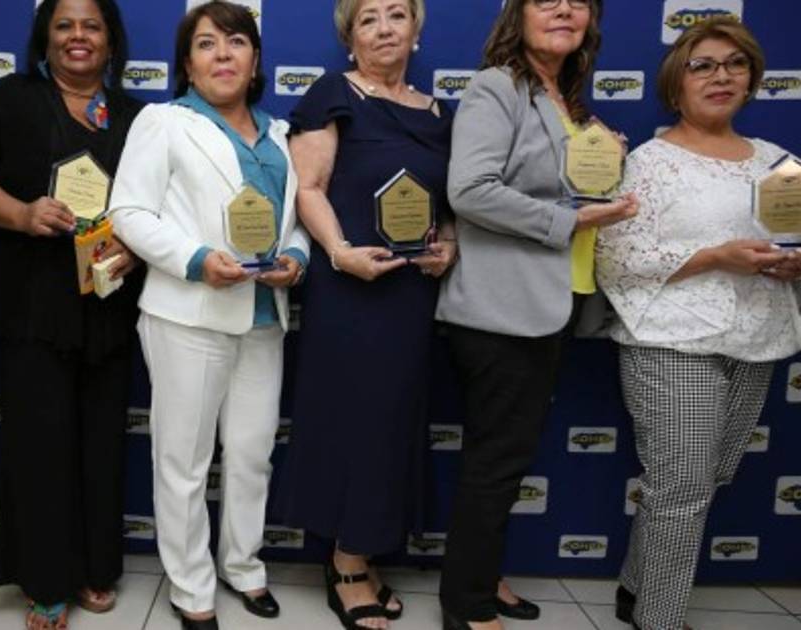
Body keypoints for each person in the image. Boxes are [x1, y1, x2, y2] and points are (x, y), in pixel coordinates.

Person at [595, 17, 801, 630]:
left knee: (709, 477)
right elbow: (616, 259)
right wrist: (715, 257)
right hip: (672, 343)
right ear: (676, 85)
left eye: (734, 64)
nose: (720, 76)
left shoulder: (777, 162)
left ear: (752, 80)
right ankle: (658, 619)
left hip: (757, 339)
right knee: (681, 486)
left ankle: (634, 588)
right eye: (702, 65)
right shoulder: (649, 164)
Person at [435, 1, 639, 629]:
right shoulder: (496, 87)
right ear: (516, 17)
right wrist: (570, 218)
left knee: (509, 457)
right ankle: (466, 604)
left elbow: (560, 188)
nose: (564, 8)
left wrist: (606, 168)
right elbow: (470, 190)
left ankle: (480, 576)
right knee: (496, 461)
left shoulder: (567, 102)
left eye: (578, 1)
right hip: (500, 307)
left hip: (552, 302)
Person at [107, 3, 308, 629]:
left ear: (255, 60)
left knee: (251, 454)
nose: (222, 54)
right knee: (184, 460)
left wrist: (297, 258)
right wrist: (196, 260)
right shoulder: (164, 122)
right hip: (187, 314)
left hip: (263, 316)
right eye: (205, 44)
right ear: (187, 65)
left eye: (236, 42)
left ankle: (243, 565)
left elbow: (297, 218)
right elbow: (129, 212)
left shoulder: (281, 134)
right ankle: (191, 583)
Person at [0, 0, 143, 627]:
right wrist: (22, 213)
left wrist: (136, 248)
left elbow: (156, 207)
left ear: (110, 40)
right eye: (64, 25)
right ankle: (45, 577)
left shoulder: (136, 116)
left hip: (108, 303)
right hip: (33, 302)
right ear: (45, 37)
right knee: (40, 443)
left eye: (91, 25)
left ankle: (94, 567)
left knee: (100, 442)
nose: (78, 36)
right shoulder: (11, 100)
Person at [278, 1, 456, 629]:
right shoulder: (334, 94)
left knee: (392, 422)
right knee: (353, 420)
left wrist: (449, 245)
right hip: (349, 289)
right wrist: (338, 251)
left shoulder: (438, 112)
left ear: (416, 30)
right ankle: (346, 563)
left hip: (410, 295)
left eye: (397, 15)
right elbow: (308, 188)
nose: (385, 28)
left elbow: (447, 200)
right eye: (369, 18)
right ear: (350, 37)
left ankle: (365, 550)